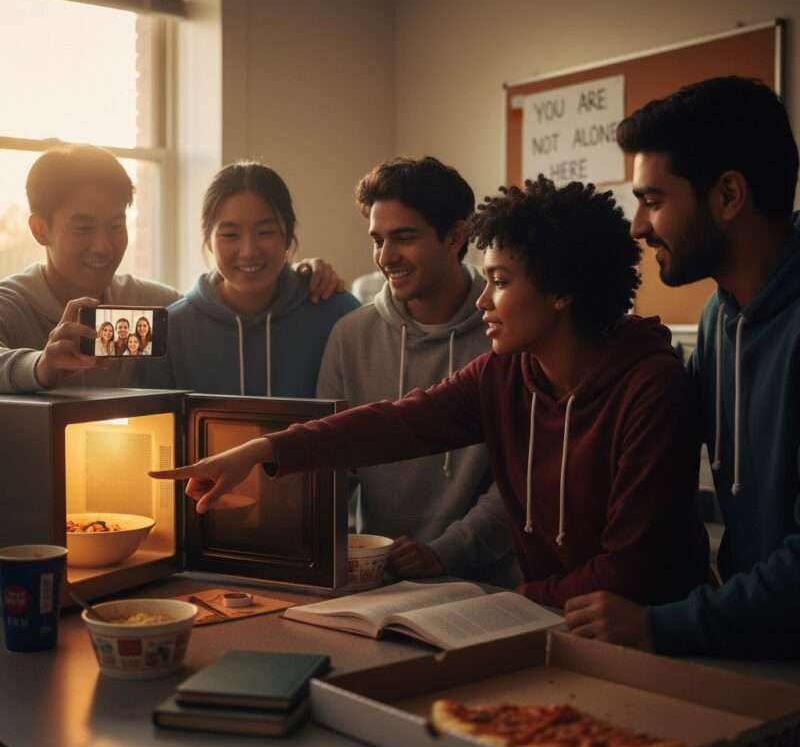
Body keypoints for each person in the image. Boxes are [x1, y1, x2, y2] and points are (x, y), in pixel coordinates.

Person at [152, 176, 709, 610]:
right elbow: (396, 423)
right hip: (553, 619)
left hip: (649, 641)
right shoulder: (506, 372)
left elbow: (633, 567)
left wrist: (513, 604)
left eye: (502, 282)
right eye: (486, 280)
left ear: (562, 291)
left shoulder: (650, 387)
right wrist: (263, 452)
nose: (484, 301)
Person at [564, 76, 800, 658]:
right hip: (749, 656)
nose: (640, 228)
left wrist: (659, 626)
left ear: (727, 196)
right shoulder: (718, 319)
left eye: (652, 200)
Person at [317, 156, 520, 587]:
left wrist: (443, 553)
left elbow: (517, 481)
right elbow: (332, 469)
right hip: (377, 580)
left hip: (486, 585)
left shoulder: (507, 334)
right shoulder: (350, 336)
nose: (385, 257)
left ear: (456, 237)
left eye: (403, 237)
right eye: (378, 239)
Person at [0, 144, 342, 394]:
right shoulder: (12, 304)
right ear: (40, 229)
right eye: (83, 228)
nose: (103, 245)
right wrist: (41, 365)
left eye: (116, 225)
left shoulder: (154, 304)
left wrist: (300, 274)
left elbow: (213, 308)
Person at [144, 162, 359, 396]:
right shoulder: (168, 332)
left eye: (265, 232)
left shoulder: (337, 314)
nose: (248, 251)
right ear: (208, 239)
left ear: (287, 235)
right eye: (230, 235)